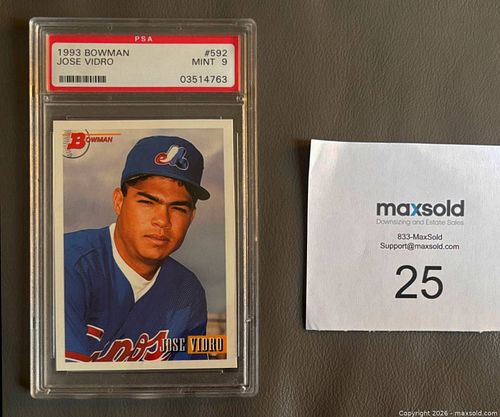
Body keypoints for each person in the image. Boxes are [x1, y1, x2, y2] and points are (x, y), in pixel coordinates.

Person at [64, 135, 210, 362]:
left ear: (191, 217)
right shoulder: (67, 263)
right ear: (119, 202)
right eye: (147, 202)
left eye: (178, 208)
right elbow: (65, 380)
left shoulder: (188, 292)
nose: (162, 220)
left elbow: (189, 382)